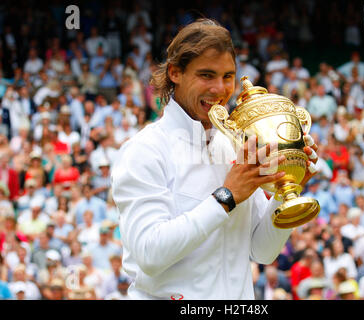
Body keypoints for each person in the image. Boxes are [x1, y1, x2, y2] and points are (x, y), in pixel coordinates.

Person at [111, 19, 319, 300]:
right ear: (175, 73)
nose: (220, 89)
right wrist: (227, 196)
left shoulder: (238, 145)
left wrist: (288, 188)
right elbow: (150, 253)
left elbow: (263, 251)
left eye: (227, 76)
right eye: (206, 75)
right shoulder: (144, 150)